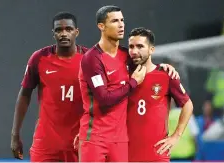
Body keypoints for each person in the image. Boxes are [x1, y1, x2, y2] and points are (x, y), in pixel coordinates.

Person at [77, 6, 179, 162]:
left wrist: (163, 68)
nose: (121, 25)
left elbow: (146, 63)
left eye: (122, 20)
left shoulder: (126, 55)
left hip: (120, 140)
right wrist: (133, 83)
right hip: (95, 137)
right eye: (115, 21)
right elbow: (104, 99)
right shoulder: (92, 59)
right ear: (101, 26)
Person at [10, 12, 87, 162]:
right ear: (53, 34)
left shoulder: (90, 59)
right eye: (59, 30)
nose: (64, 34)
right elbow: (24, 94)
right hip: (46, 144)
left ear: (76, 32)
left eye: (68, 29)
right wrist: (15, 135)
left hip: (81, 143)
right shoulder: (39, 58)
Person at [127, 27, 194, 162]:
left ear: (152, 49)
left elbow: (188, 104)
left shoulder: (165, 75)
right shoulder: (122, 75)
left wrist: (176, 136)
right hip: (126, 155)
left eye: (140, 46)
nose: (134, 51)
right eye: (131, 47)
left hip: (156, 156)